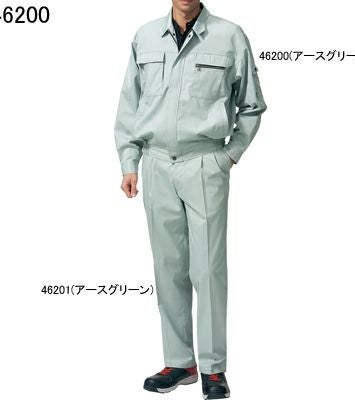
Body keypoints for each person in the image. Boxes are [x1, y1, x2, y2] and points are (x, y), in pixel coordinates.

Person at [113, 1, 267, 398]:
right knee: (168, 266)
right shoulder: (145, 36)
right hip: (155, 163)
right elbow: (129, 105)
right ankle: (180, 362)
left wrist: (229, 155)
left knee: (208, 269)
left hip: (204, 163)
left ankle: (214, 369)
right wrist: (129, 162)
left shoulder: (229, 36)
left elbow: (252, 105)